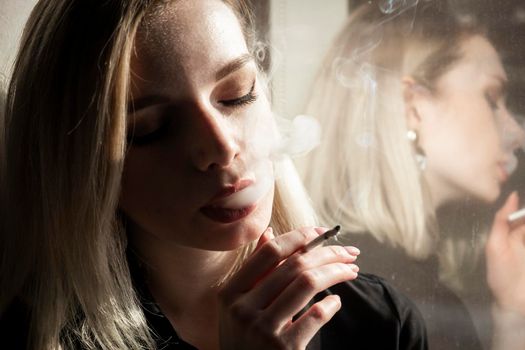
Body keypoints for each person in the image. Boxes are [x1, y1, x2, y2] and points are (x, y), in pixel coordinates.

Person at [0, 0, 428, 349]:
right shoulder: (34, 336)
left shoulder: (379, 325)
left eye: (237, 94)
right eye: (151, 129)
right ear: (80, 165)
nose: (222, 150)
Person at [298, 1, 525, 349]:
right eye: (492, 98)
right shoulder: (376, 297)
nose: (518, 134)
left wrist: (510, 312)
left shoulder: (358, 274)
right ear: (413, 107)